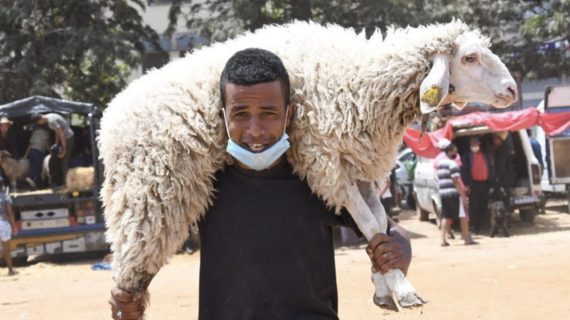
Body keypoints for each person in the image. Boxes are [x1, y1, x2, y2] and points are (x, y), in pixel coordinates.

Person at [109, 48, 412, 320]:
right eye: (241, 114)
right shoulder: (202, 184)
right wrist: (130, 298)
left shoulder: (320, 178)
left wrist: (397, 252)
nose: (255, 130)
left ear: (289, 113)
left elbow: (389, 231)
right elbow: (151, 240)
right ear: (223, 116)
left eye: (268, 114)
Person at [434, 138, 476, 244]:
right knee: (462, 216)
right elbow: (456, 181)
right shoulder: (453, 164)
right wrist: (463, 196)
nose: (456, 154)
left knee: (445, 216)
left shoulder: (439, 164)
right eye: (454, 152)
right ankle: (467, 239)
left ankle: (443, 240)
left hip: (443, 193)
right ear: (449, 152)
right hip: (453, 193)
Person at [30, 113, 74, 185]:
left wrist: (64, 150)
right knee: (60, 160)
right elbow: (57, 132)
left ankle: (67, 183)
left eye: (38, 123)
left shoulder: (51, 121)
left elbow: (62, 134)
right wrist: (56, 143)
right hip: (65, 138)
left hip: (67, 138)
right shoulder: (50, 116)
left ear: (40, 120)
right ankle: (62, 181)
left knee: (64, 161)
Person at [461, 136, 493, 233]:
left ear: (479, 144)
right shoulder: (467, 156)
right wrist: (467, 185)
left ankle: (481, 225)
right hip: (473, 185)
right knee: (474, 206)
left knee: (483, 205)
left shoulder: (485, 155)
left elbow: (490, 168)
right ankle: (474, 226)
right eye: (472, 144)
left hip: (485, 184)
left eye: (475, 143)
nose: (474, 146)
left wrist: (491, 182)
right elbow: (464, 171)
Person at [23, 124, 51, 189]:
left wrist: (26, 155)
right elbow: (47, 142)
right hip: (39, 152)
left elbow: (30, 144)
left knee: (33, 168)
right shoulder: (45, 133)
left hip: (32, 152)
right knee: (39, 169)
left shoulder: (34, 133)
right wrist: (50, 152)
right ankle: (34, 182)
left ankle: (31, 184)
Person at [0, 176, 17, 276]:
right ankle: (10, 270)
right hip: (3, 223)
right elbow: (10, 213)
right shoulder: (5, 197)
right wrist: (14, 226)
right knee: (6, 249)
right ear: (2, 185)